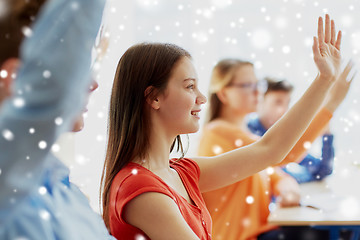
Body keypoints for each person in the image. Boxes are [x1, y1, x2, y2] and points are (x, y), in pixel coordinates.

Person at [101, 15, 345, 240]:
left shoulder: (181, 172)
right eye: (188, 86)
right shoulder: (141, 190)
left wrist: (324, 80)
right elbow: (274, 151)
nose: (202, 98)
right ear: (154, 98)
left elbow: (271, 150)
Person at [197, 19, 354, 240]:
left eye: (257, 84)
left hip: (262, 231)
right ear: (223, 94)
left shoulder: (244, 136)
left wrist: (287, 185)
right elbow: (282, 152)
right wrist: (330, 102)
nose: (257, 92)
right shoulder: (218, 132)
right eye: (247, 85)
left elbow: (274, 173)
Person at [0, 0, 114, 239]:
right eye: (83, 70)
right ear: (14, 77)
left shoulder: (69, 192)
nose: (93, 84)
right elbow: (53, 91)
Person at [247, 77, 337, 183]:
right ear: (260, 102)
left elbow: (322, 170)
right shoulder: (248, 131)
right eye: (278, 102)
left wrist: (326, 133)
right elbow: (278, 178)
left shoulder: (283, 134)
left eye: (287, 103)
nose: (284, 110)